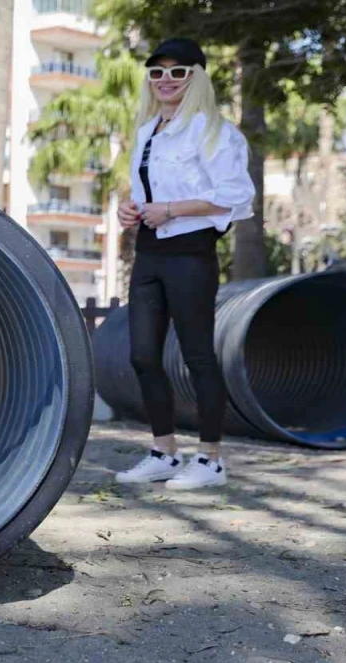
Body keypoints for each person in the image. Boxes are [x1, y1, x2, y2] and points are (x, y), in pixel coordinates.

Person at [113, 38, 256, 490]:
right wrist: (130, 210)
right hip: (150, 251)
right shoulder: (146, 131)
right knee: (141, 355)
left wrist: (173, 209)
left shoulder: (215, 131)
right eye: (157, 72)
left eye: (178, 72)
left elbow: (238, 196)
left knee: (197, 355)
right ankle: (164, 452)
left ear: (197, 77)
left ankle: (210, 460)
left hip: (191, 251)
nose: (166, 81)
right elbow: (145, 194)